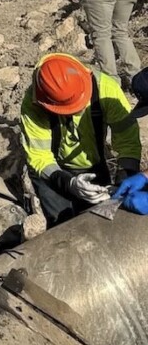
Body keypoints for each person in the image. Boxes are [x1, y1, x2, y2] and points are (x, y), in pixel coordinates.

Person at [21, 52, 141, 225]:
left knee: (103, 224)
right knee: (62, 226)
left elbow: (127, 140)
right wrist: (69, 183)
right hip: (54, 173)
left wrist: (125, 178)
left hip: (94, 165)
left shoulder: (105, 89)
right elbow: (40, 157)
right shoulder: (34, 104)